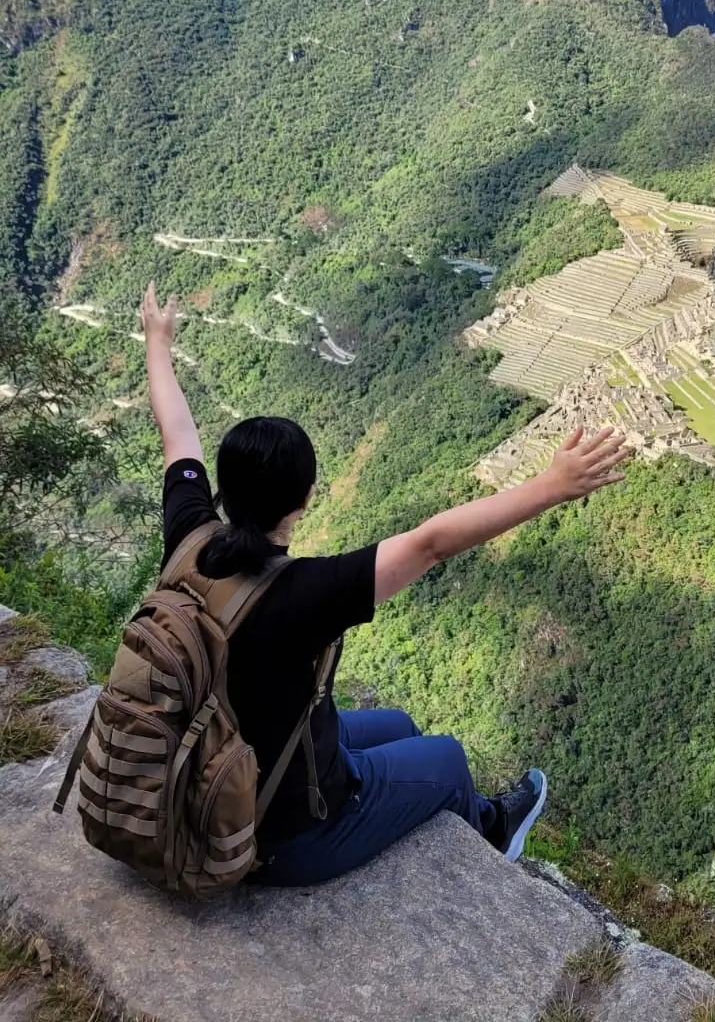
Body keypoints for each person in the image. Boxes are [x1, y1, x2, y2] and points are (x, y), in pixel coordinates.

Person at [139, 280, 627, 887]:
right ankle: (493, 828)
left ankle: (397, 791)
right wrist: (552, 486)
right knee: (448, 759)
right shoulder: (301, 594)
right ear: (306, 498)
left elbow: (176, 436)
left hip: (221, 758)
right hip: (276, 834)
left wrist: (157, 342)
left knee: (396, 725)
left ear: (223, 488)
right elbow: (432, 541)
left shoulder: (191, 536)